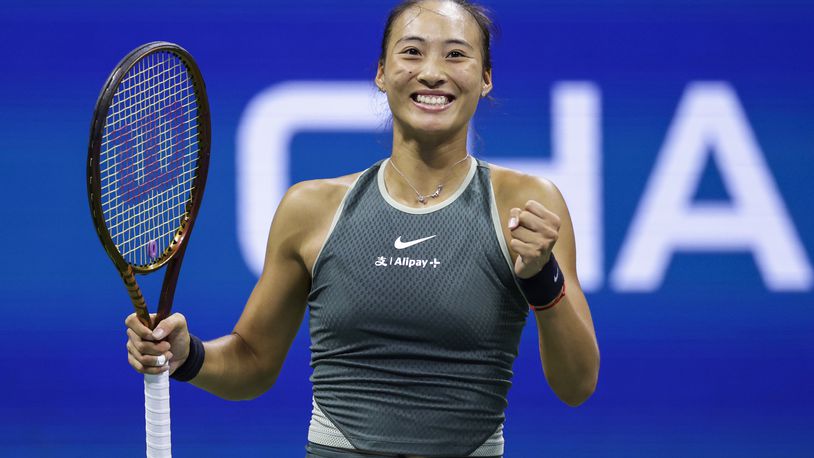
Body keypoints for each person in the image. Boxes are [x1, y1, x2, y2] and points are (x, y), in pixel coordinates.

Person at [125, 1, 600, 456]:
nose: (432, 71)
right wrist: (188, 356)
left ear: (485, 78)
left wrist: (542, 278)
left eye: (456, 54)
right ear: (381, 72)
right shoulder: (310, 209)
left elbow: (577, 385)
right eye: (411, 51)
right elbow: (252, 361)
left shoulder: (526, 205)